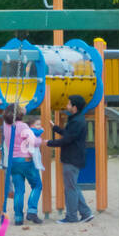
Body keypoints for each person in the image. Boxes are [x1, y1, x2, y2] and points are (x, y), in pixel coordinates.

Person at [47, 95, 93, 223]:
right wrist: (55, 128)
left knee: (70, 188)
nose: (66, 106)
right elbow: (69, 134)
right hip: (74, 157)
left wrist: (48, 143)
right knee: (73, 186)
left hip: (72, 158)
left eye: (68, 104)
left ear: (75, 107)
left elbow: (67, 140)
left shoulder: (77, 121)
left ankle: (72, 216)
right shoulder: (76, 120)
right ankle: (86, 213)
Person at [1, 105, 42, 225]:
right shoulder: (23, 126)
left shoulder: (6, 125)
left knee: (19, 190)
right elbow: (33, 142)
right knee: (37, 185)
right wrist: (40, 139)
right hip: (25, 160)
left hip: (12, 161)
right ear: (18, 114)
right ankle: (32, 211)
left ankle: (18, 218)